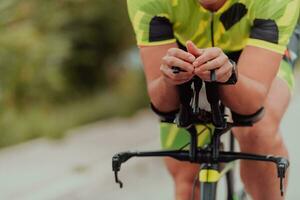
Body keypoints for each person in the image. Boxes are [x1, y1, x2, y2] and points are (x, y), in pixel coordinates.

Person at [126, 0, 300, 199]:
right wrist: (169, 81)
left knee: (259, 129)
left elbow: (250, 103)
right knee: (186, 177)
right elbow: (163, 103)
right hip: (187, 48)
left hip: (255, 45)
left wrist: (229, 77)